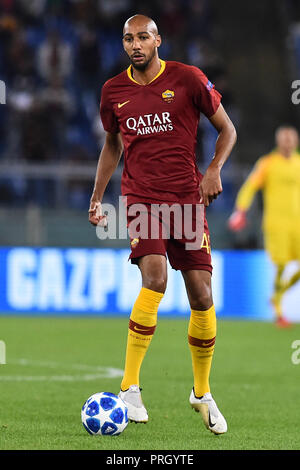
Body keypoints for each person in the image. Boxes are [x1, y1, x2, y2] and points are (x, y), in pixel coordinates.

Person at [89, 14, 236, 435]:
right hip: (142, 198)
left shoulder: (188, 79)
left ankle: (202, 392)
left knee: (202, 297)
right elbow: (112, 144)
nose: (135, 45)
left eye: (142, 37)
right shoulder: (112, 91)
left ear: (158, 40)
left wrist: (213, 169)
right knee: (154, 280)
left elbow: (227, 130)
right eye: (127, 39)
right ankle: (130, 388)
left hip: (188, 199)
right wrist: (97, 197)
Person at [228, 126, 300, 328]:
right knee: (281, 265)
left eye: (290, 139)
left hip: (298, 224)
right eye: (284, 139)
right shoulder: (268, 163)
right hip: (276, 224)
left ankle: (277, 295)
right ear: (278, 142)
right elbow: (249, 187)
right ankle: (278, 311)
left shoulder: (298, 163)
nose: (287, 142)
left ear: (295, 142)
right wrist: (241, 210)